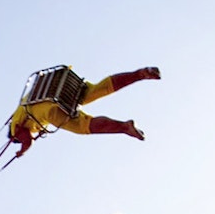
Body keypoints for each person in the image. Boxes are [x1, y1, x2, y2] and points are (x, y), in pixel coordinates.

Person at [9, 66, 160, 157]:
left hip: (53, 108)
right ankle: (139, 74)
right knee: (99, 89)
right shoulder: (23, 106)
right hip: (61, 87)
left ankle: (123, 127)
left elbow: (27, 140)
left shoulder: (15, 128)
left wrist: (22, 150)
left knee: (82, 126)